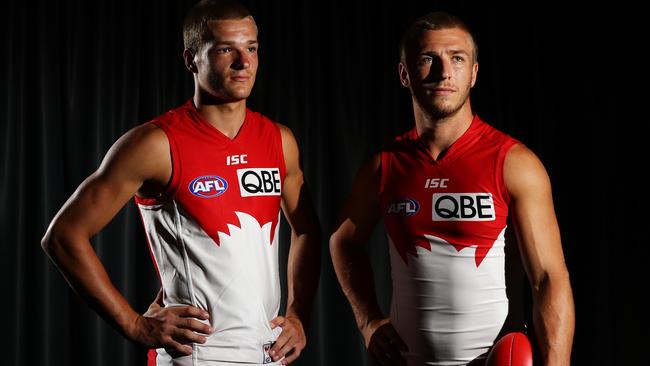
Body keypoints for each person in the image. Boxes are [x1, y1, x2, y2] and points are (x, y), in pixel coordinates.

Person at [40, 1, 321, 365]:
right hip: (195, 355)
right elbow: (62, 237)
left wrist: (298, 315)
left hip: (268, 353)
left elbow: (307, 230)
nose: (244, 62)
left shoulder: (279, 140)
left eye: (251, 48)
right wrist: (136, 326)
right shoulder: (155, 143)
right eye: (225, 50)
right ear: (191, 59)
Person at [329, 11, 574, 366]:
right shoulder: (384, 166)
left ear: (473, 73)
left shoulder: (513, 162)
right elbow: (342, 240)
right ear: (404, 74)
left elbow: (549, 279)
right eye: (428, 59)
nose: (444, 72)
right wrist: (368, 321)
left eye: (457, 59)